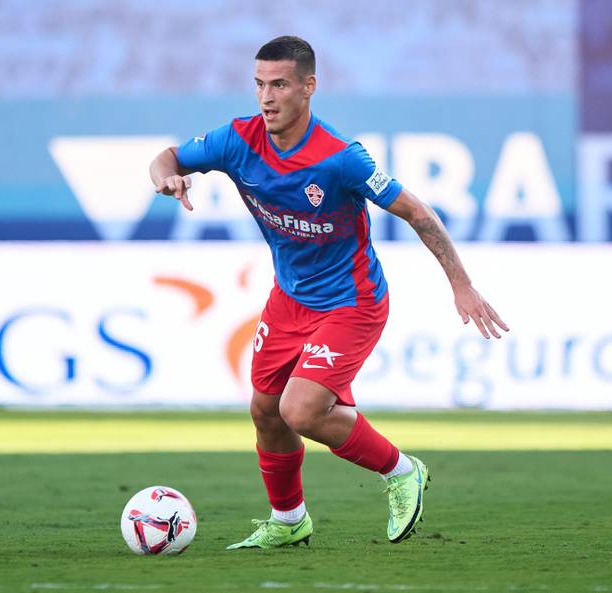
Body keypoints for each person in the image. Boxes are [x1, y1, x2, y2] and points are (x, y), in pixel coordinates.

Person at [148, 35, 509, 549]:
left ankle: (402, 472)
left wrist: (462, 284)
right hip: (289, 299)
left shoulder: (341, 158)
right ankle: (289, 519)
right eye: (259, 85)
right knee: (265, 411)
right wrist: (166, 180)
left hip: (352, 302)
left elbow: (418, 212)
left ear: (308, 87)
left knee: (301, 410)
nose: (266, 98)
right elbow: (165, 158)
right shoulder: (236, 141)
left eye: (279, 84)